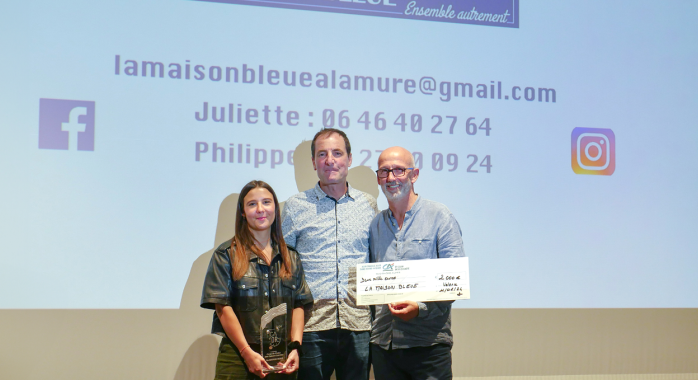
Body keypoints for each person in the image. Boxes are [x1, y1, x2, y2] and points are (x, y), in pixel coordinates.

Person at [281, 128, 378, 380]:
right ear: (313, 162)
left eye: (337, 152)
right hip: (312, 327)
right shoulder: (295, 207)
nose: (330, 160)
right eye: (322, 154)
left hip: (358, 324)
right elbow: (284, 269)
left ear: (350, 159)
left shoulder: (369, 205)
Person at [369, 146, 466, 380]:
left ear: (414, 175)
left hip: (429, 346)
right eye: (384, 171)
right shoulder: (375, 225)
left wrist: (420, 310)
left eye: (399, 170)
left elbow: (455, 281)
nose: (391, 178)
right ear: (379, 178)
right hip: (385, 346)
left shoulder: (440, 216)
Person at [201, 180, 314, 379]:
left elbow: (299, 304)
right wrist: (246, 352)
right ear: (243, 212)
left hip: (282, 360)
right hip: (238, 356)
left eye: (266, 202)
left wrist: (296, 347)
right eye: (252, 204)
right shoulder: (226, 254)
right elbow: (222, 308)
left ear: (275, 209)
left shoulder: (291, 256)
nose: (260, 209)